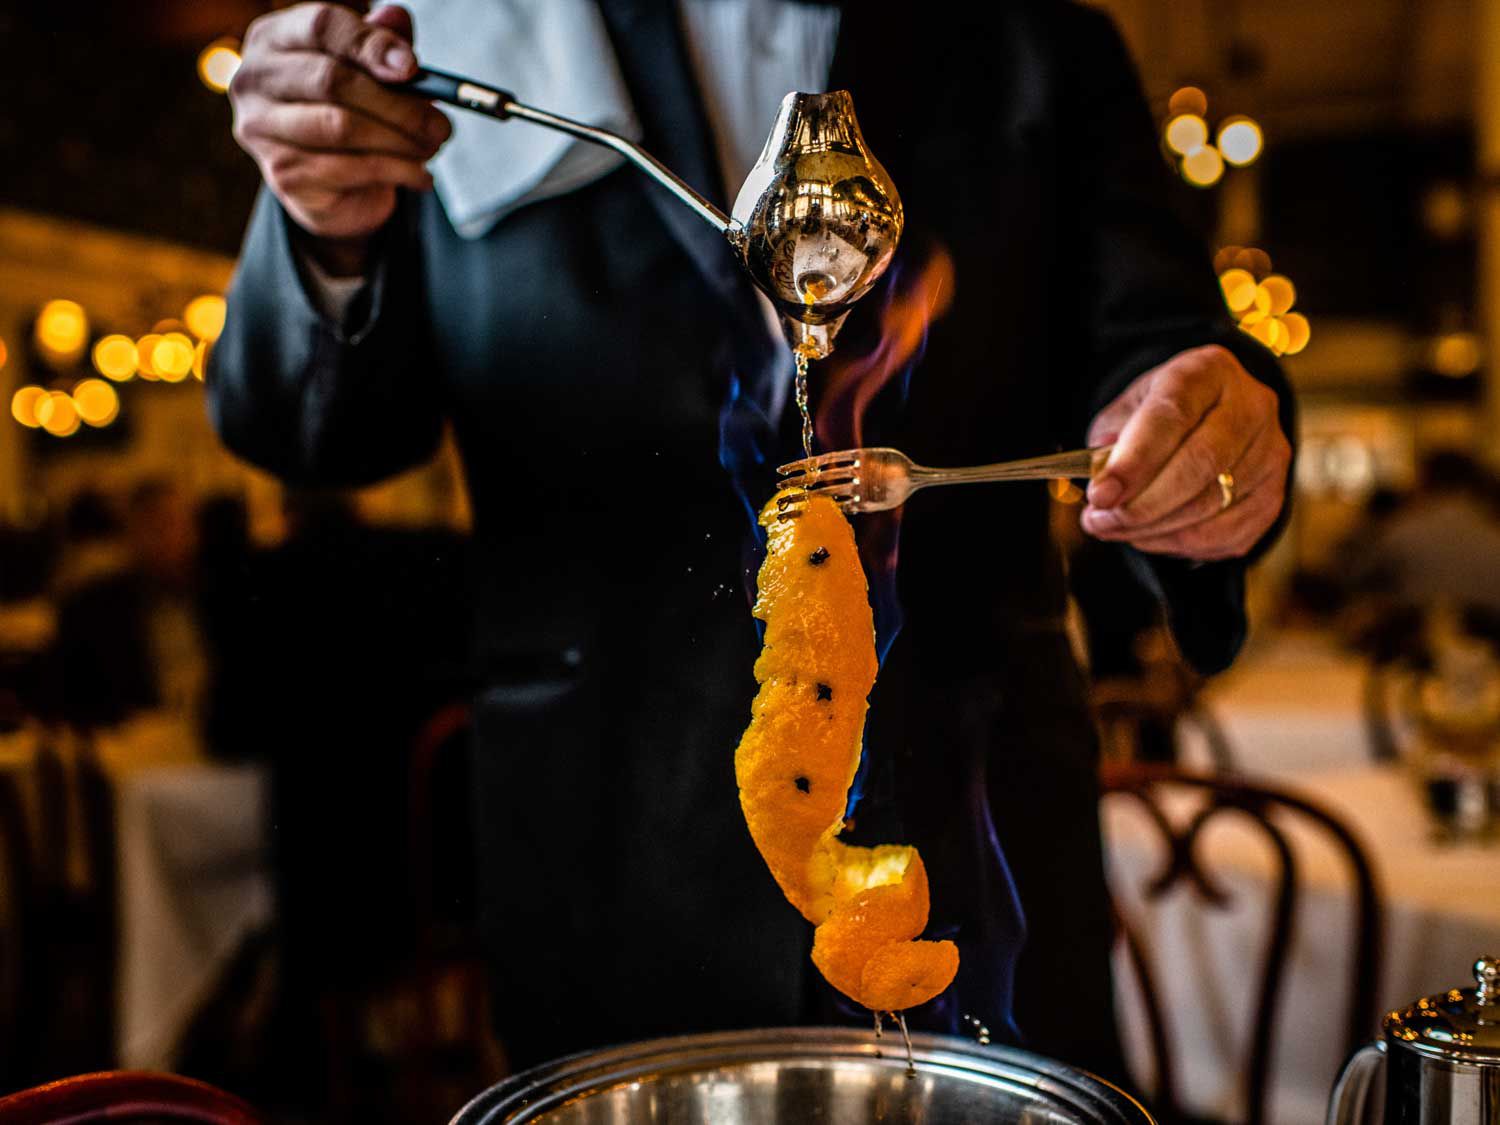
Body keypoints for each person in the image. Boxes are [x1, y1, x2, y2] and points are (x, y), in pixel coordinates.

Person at [210, 0, 1295, 1081]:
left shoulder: (1039, 35)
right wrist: (325, 233)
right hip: (609, 846)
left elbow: (1161, 345)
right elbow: (307, 429)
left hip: (974, 840)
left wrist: (1207, 434)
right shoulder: (458, 32)